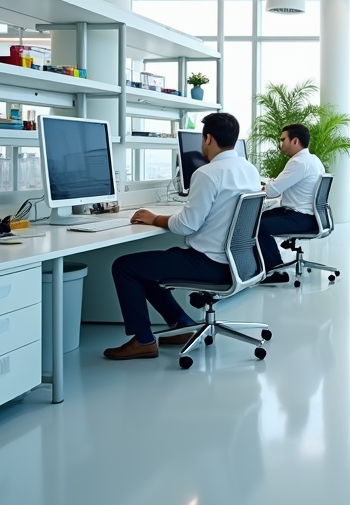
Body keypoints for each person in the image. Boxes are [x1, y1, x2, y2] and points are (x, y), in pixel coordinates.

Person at [103, 112, 261, 360]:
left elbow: (186, 225)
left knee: (124, 266)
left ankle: (144, 341)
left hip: (210, 264)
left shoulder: (208, 173)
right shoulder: (249, 170)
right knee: (149, 267)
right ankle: (180, 323)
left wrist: (155, 218)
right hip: (239, 261)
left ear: (208, 138)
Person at [258, 123, 324, 283]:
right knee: (257, 218)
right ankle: (264, 266)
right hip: (310, 215)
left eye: (283, 139)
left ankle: (275, 271)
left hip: (301, 217)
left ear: (295, 141)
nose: (280, 144)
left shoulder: (298, 163)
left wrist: (257, 189)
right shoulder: (313, 160)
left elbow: (272, 191)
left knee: (254, 225)